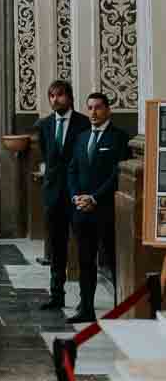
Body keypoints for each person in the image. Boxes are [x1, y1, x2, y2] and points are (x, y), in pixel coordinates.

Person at [66, 91, 131, 324]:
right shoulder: (82, 138)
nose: (93, 112)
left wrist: (94, 197)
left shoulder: (120, 138)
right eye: (90, 108)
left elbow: (117, 175)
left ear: (108, 110)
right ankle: (86, 308)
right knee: (85, 261)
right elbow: (72, 169)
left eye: (98, 108)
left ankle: (119, 309)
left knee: (113, 261)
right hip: (81, 211)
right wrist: (76, 197)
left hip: (105, 211)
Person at [37, 79, 89, 312]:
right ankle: (56, 295)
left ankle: (85, 300)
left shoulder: (83, 123)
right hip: (53, 195)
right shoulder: (44, 125)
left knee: (83, 245)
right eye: (51, 96)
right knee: (56, 246)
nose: (54, 99)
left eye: (59, 95)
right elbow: (48, 157)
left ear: (69, 97)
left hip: (77, 193)